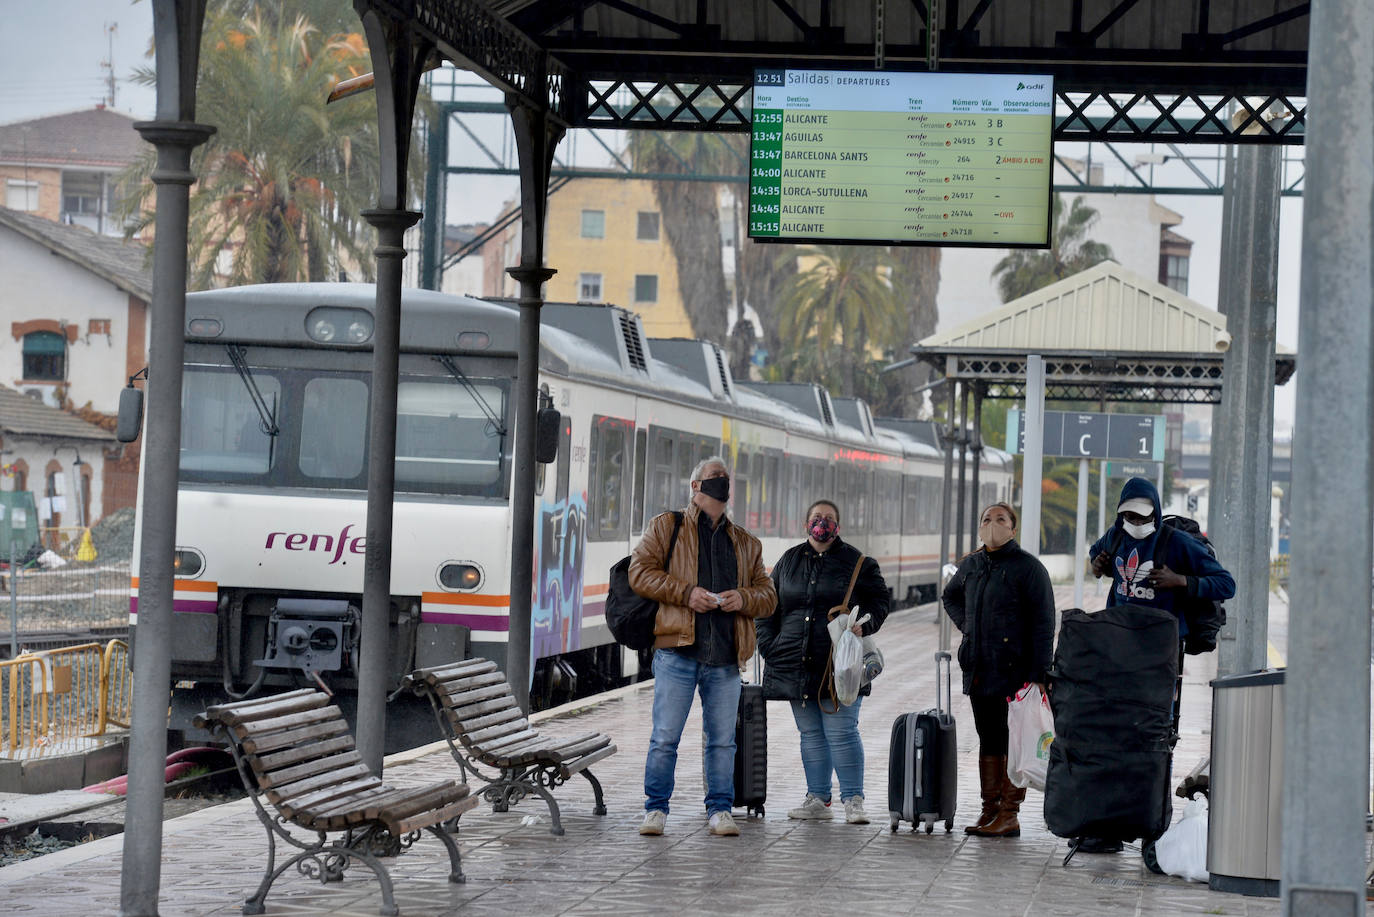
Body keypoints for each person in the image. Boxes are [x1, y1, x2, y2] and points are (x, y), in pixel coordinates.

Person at [1075, 476, 1235, 853]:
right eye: (1127, 513)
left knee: (1154, 738)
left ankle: (1152, 824)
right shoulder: (1115, 536)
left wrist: (1182, 581)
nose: (1134, 520)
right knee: (1113, 735)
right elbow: (1097, 558)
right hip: (1118, 648)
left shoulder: (1176, 543)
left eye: (1141, 514)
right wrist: (1098, 565)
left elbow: (1226, 583)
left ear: (1156, 512)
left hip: (1161, 655)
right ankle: (1109, 827)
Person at [628, 456, 776, 838]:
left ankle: (720, 809)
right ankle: (656, 809)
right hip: (678, 652)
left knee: (723, 742)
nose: (722, 484)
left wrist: (743, 598)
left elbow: (768, 596)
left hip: (726, 658)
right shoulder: (667, 527)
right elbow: (639, 572)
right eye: (714, 478)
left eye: (726, 479)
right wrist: (686, 594)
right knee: (665, 738)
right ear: (695, 487)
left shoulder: (745, 542)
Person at [757, 499, 889, 825]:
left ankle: (853, 800)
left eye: (829, 518)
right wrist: (769, 646)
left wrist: (866, 625)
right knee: (811, 735)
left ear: (838, 526)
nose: (822, 523)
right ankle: (817, 797)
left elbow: (881, 602)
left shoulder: (859, 563)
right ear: (806, 524)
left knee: (842, 732)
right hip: (795, 663)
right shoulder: (789, 561)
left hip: (839, 665)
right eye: (816, 518)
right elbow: (769, 607)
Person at [942, 501, 1054, 838]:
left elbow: (1044, 623)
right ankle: (988, 809)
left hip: (1016, 672)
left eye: (1001, 519)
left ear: (1013, 528)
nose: (993, 524)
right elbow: (950, 596)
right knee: (988, 739)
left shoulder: (1028, 568)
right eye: (987, 519)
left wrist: (1039, 673)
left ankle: (1009, 813)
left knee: (1013, 742)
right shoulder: (972, 565)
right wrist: (968, 627)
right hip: (979, 667)